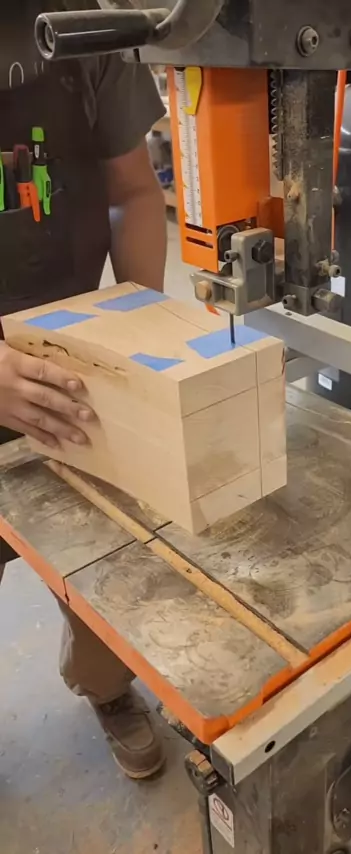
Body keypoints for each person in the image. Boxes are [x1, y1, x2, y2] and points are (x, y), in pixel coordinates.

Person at [0, 2, 167, 779]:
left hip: (74, 361)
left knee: (106, 554)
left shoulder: (86, 31)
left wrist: (139, 329)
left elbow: (132, 191)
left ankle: (106, 686)